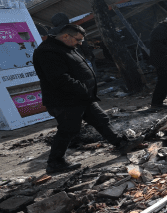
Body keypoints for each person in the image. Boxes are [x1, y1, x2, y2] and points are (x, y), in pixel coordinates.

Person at [34, 22, 139, 173]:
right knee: (68, 129)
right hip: (65, 100)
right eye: (78, 40)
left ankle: (120, 143)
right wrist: (82, 88)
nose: (80, 43)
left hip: (81, 97)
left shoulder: (66, 47)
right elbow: (59, 78)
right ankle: (55, 163)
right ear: (65, 36)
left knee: (100, 119)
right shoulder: (47, 52)